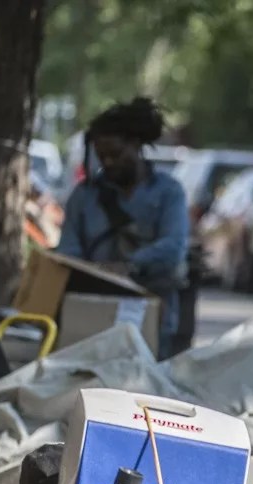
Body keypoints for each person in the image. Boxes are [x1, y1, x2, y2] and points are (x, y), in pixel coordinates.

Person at [55, 97, 188, 359]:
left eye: (116, 154)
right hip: (93, 308)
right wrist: (88, 271)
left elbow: (173, 247)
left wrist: (128, 266)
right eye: (102, 156)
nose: (109, 162)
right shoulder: (84, 197)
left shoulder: (168, 192)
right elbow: (68, 249)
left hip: (151, 306)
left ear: (135, 145)